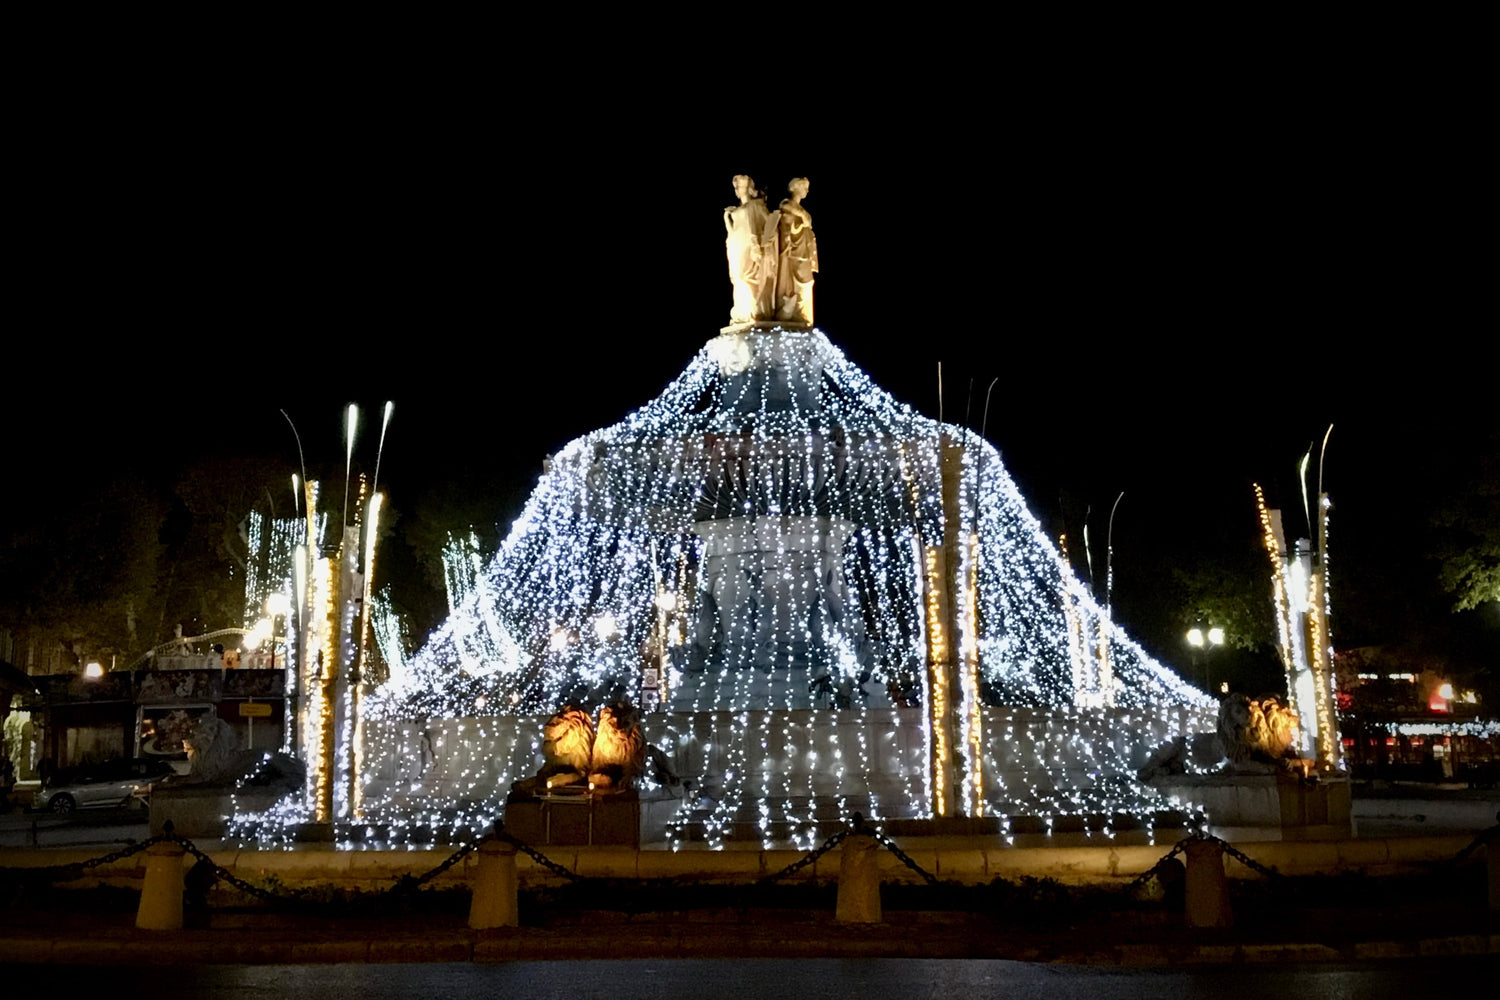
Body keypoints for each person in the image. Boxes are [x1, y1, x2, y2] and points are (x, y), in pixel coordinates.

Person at [724, 175, 775, 323]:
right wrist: (727, 219)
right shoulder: (737, 209)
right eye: (737, 187)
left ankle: (754, 309)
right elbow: (732, 231)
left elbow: (769, 224)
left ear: (749, 188)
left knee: (747, 276)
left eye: (741, 186)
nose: (739, 190)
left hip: (749, 243)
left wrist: (761, 243)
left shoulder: (756, 206)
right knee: (738, 278)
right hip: (736, 244)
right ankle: (743, 311)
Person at [775, 177, 818, 324]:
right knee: (799, 283)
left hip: (803, 250)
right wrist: (801, 218)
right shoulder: (787, 204)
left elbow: (805, 223)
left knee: (807, 284)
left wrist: (803, 218)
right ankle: (794, 313)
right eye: (804, 187)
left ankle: (801, 316)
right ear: (796, 188)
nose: (806, 190)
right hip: (793, 251)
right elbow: (788, 220)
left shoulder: (802, 211)